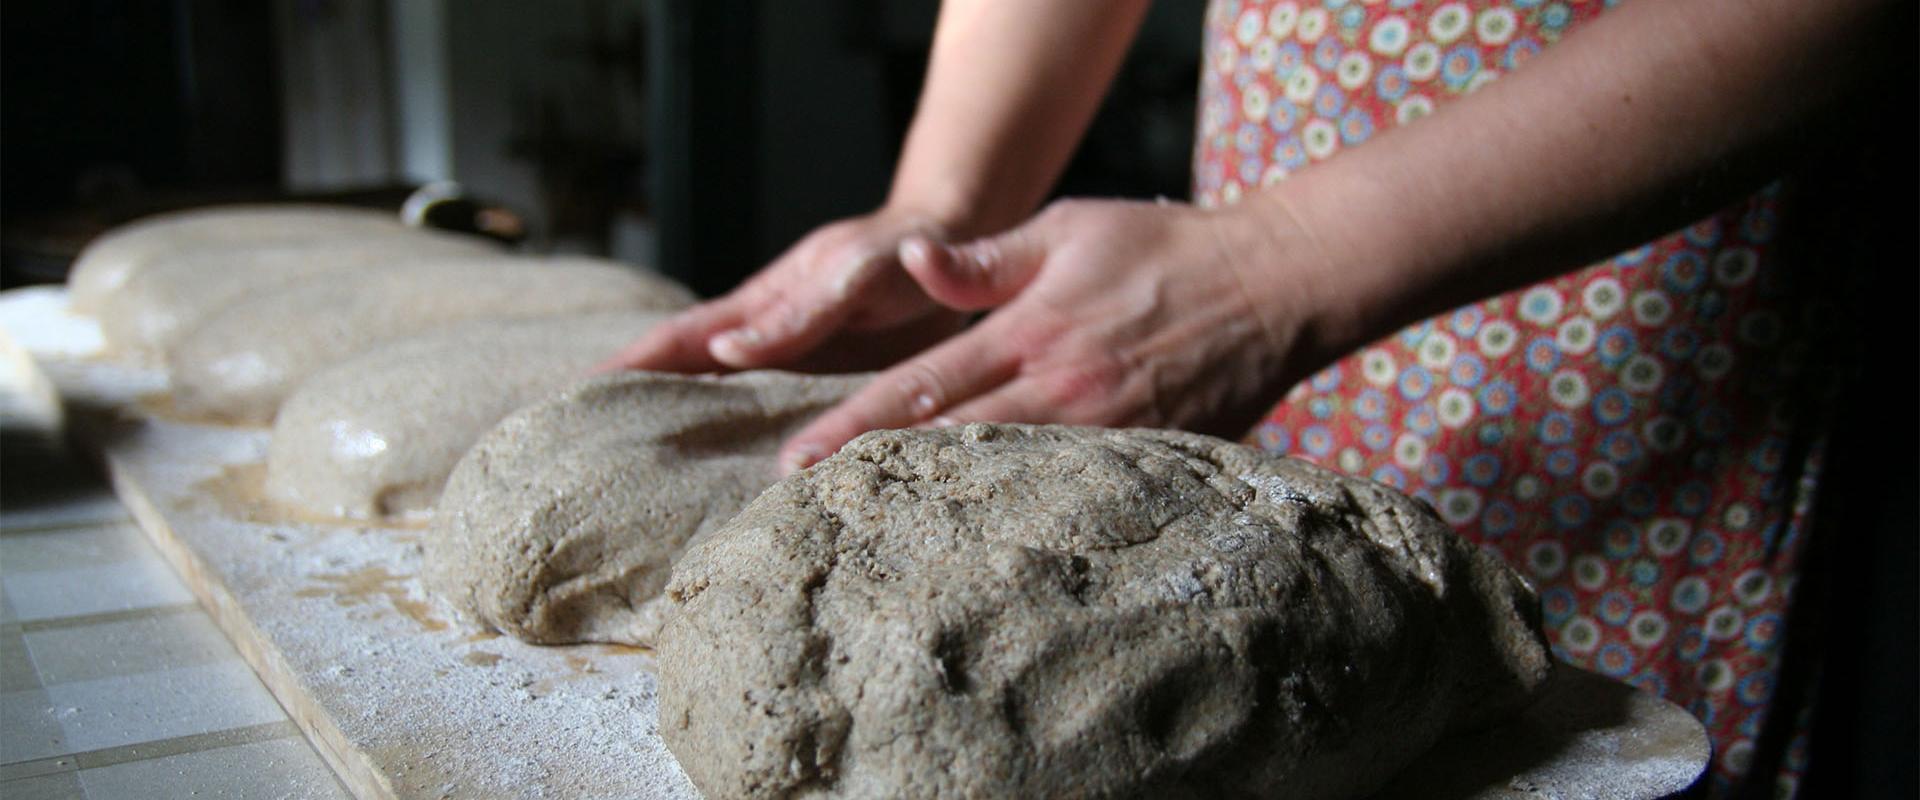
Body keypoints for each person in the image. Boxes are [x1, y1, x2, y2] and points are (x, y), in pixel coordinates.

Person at [602, 0, 1897, 794]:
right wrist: (942, 206)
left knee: (1544, 739)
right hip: (1244, 272)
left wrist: (1280, 268)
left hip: (1611, 273)